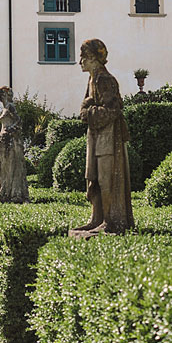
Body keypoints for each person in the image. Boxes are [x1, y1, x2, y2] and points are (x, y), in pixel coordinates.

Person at [71, 38, 134, 236]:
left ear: (92, 58)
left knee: (106, 179)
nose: (80, 61)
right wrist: (87, 109)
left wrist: (87, 111)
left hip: (108, 136)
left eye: (83, 57)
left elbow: (113, 109)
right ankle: (96, 218)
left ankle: (110, 220)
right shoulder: (92, 79)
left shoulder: (105, 79)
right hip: (96, 135)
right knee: (94, 178)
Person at [0, 86, 30, 203]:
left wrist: (9, 130)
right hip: (3, 141)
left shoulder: (10, 107)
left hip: (10, 142)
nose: (0, 97)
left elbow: (19, 122)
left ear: (7, 95)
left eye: (2, 94)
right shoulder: (5, 108)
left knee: (10, 167)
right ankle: (4, 191)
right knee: (3, 168)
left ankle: (12, 193)